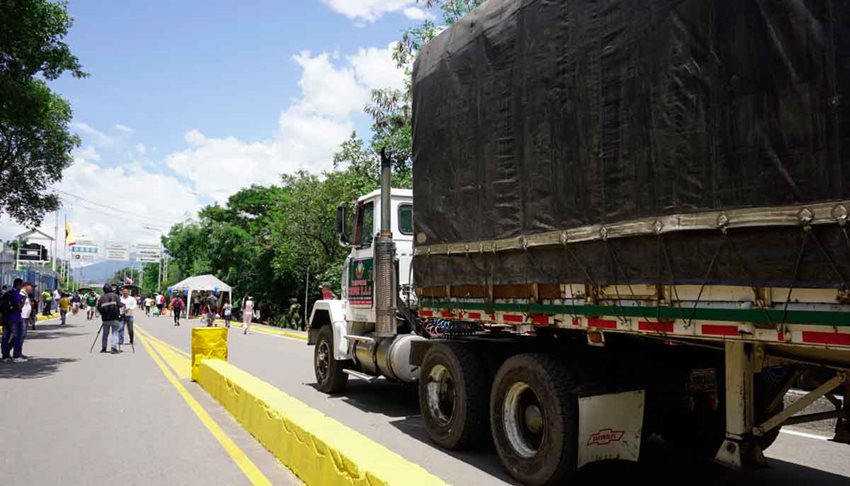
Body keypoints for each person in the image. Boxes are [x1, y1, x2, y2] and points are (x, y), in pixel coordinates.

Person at [1, 279, 27, 363]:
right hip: (15, 318)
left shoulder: (8, 293)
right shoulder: (16, 294)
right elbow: (20, 307)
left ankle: (5, 356)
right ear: (19, 285)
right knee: (17, 337)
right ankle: (16, 356)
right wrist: (24, 299)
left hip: (6, 317)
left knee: (5, 337)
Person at [97, 284, 123, 354]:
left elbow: (98, 308)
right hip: (115, 318)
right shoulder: (115, 296)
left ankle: (103, 348)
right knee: (115, 333)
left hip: (105, 319)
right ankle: (113, 348)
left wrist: (102, 314)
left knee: (105, 334)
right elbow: (120, 305)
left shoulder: (102, 298)